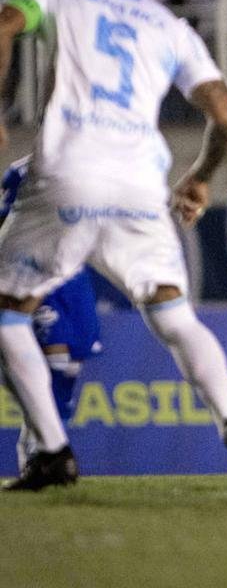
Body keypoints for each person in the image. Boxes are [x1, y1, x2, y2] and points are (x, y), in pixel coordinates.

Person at [0, 0, 227, 490]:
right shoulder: (170, 27)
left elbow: (5, 23)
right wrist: (201, 175)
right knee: (176, 317)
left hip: (70, 174)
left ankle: (52, 449)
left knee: (6, 314)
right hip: (139, 186)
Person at [0, 156, 101, 473]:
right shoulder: (22, 172)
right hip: (35, 270)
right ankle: (39, 448)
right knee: (53, 356)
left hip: (74, 277)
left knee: (71, 365)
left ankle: (41, 437)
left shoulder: (100, 164)